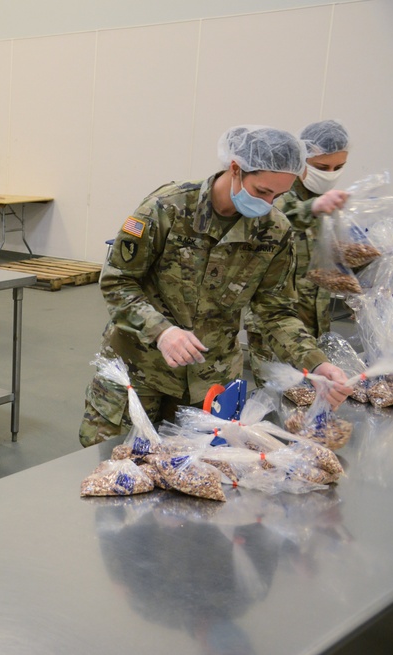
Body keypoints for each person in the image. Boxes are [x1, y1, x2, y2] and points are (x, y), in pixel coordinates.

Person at [78, 125, 352, 448]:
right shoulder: (169, 208)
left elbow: (275, 312)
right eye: (262, 191)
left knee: (196, 482)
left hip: (208, 385)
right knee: (115, 476)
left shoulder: (275, 232)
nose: (268, 204)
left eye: (278, 196)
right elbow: (117, 280)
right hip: (138, 377)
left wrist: (317, 363)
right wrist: (161, 331)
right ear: (235, 169)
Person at [245, 120, 351, 384]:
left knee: (312, 403)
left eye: (338, 167)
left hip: (315, 322)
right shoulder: (277, 192)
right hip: (275, 326)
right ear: (303, 160)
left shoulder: (328, 203)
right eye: (322, 167)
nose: (330, 173)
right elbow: (273, 221)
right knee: (277, 401)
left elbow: (329, 257)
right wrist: (312, 209)